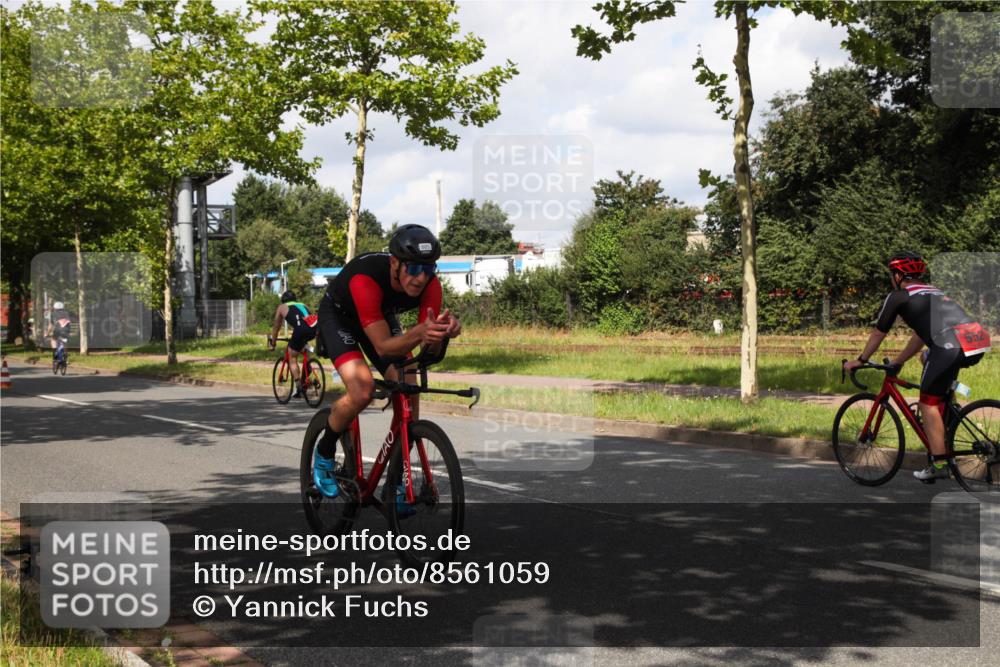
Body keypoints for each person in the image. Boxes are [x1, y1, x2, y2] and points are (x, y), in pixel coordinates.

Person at [312, 224, 461, 497]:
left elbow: (427, 346)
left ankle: (396, 481)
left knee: (409, 382)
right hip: (340, 318)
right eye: (413, 269)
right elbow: (383, 347)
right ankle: (324, 451)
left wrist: (443, 332)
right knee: (362, 389)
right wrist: (420, 332)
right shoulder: (364, 279)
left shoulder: (430, 285)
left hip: (378, 316)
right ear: (394, 263)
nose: (420, 278)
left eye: (428, 270)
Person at [844, 251, 990, 481]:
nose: (892, 278)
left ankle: (939, 464)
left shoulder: (899, 297)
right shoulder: (934, 291)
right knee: (926, 358)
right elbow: (921, 336)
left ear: (899, 275)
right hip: (977, 340)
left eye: (892, 274)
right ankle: (948, 416)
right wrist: (899, 361)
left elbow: (878, 333)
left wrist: (859, 360)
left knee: (927, 404)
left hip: (950, 345)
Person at [268, 290, 318, 399]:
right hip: (314, 329)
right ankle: (307, 366)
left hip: (300, 330)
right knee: (302, 347)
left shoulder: (282, 307)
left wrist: (273, 343)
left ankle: (298, 387)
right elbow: (307, 318)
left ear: (283, 300)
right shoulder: (303, 304)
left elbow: (276, 327)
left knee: (292, 356)